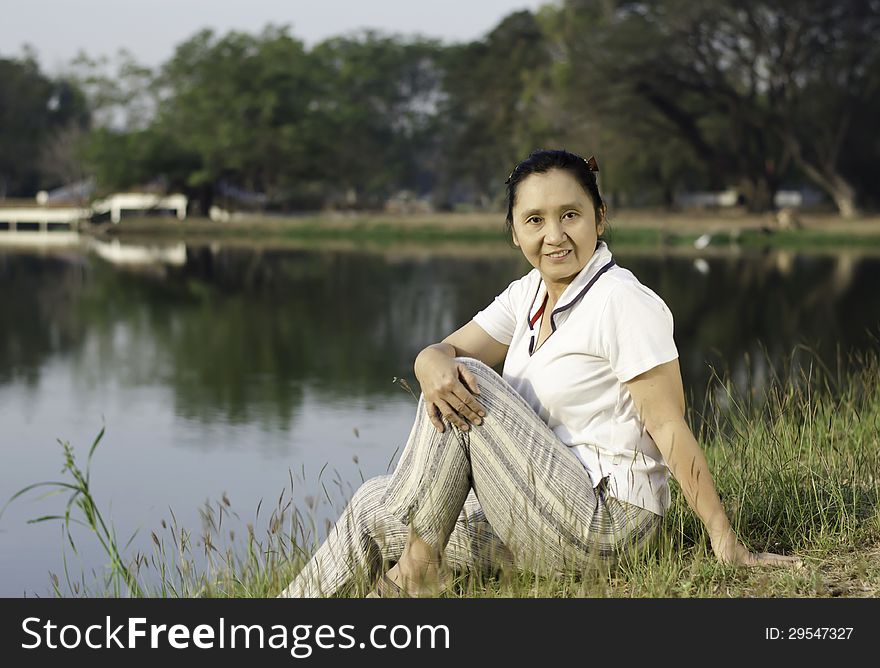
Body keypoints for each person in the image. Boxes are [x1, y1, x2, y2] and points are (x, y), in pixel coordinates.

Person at [279, 149, 800, 598]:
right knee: (374, 501)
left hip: (608, 525)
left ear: (600, 217)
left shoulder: (622, 301)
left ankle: (417, 570)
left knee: (466, 379)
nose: (555, 236)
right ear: (513, 231)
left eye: (570, 215)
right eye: (534, 220)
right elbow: (442, 351)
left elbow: (668, 426)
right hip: (536, 512)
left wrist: (724, 538)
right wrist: (425, 360)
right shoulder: (527, 293)